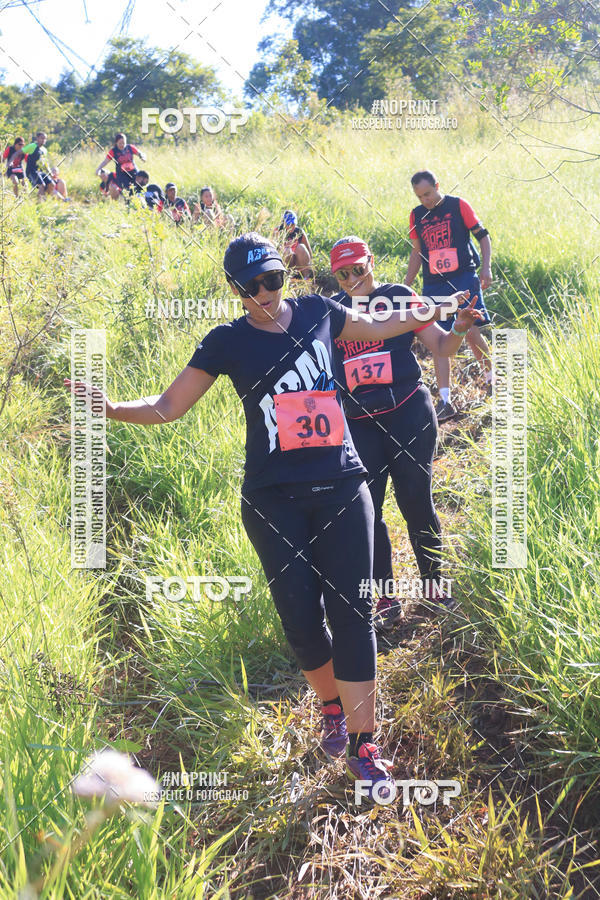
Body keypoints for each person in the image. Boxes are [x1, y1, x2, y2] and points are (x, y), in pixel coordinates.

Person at [65, 232, 478, 800]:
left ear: (286, 275)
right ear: (234, 290)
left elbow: (383, 326)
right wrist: (110, 408)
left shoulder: (318, 312)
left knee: (352, 609)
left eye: (273, 279)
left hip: (341, 482)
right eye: (251, 286)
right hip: (272, 496)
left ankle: (364, 744)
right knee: (302, 620)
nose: (265, 293)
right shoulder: (226, 341)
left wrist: (431, 310)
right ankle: (330, 705)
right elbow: (168, 407)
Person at [330, 236, 483, 630]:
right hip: (361, 423)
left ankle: (434, 585)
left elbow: (442, 347)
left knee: (416, 501)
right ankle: (385, 597)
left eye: (358, 268)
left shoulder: (399, 297)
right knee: (370, 511)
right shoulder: (334, 315)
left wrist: (461, 328)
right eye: (342, 273)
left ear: (371, 262)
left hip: (409, 415)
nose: (352, 279)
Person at [405, 170, 493, 422]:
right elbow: (417, 254)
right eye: (420, 196)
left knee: (471, 331)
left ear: (437, 186)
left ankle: (491, 379)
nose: (426, 200)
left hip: (463, 277)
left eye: (428, 193)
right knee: (438, 341)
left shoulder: (458, 205)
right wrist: (405, 286)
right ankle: (445, 401)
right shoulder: (416, 215)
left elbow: (483, 237)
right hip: (434, 285)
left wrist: (485, 267)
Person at [95, 133, 146, 197]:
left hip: (133, 172)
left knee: (140, 187)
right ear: (116, 143)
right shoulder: (113, 151)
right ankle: (128, 203)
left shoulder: (130, 147)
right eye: (120, 143)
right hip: (122, 175)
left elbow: (140, 153)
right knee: (128, 190)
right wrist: (98, 169)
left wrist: (142, 157)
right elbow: (105, 161)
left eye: (123, 143)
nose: (122, 145)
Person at [273, 211, 313, 280]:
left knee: (301, 247)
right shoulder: (278, 231)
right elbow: (273, 251)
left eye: (293, 224)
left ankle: (306, 277)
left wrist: (311, 267)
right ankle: (286, 277)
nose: (291, 226)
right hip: (284, 263)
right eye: (289, 224)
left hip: (298, 264)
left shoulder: (299, 232)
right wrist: (283, 246)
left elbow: (309, 252)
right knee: (287, 251)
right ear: (284, 223)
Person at [23, 132, 57, 199]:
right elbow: (20, 152)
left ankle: (43, 199)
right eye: (42, 138)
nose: (44, 140)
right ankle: (39, 204)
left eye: (45, 138)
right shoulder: (32, 146)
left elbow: (45, 163)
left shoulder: (44, 150)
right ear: (37, 138)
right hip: (31, 171)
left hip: (40, 172)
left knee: (52, 184)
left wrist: (50, 173)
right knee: (42, 185)